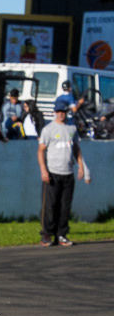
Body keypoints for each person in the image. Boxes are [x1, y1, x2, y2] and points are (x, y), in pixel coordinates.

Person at [37, 100, 89, 247]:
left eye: (64, 111)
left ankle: (62, 234)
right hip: (53, 172)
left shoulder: (71, 128)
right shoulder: (48, 129)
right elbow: (41, 151)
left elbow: (76, 149)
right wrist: (43, 170)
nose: (61, 114)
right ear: (55, 112)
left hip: (68, 173)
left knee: (65, 206)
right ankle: (47, 234)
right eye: (59, 111)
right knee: (50, 205)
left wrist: (80, 166)